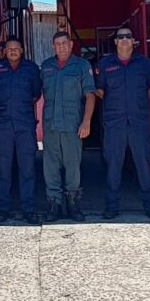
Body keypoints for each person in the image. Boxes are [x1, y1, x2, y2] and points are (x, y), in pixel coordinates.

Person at [95, 26, 150, 221]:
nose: (124, 39)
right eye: (120, 36)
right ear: (115, 41)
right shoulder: (105, 64)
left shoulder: (144, 64)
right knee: (113, 164)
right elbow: (100, 91)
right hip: (114, 123)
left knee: (143, 164)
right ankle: (112, 207)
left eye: (128, 36)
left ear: (133, 41)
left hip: (138, 122)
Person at [40, 30, 96, 222]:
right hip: (50, 126)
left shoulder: (82, 66)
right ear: (53, 47)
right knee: (50, 167)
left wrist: (86, 122)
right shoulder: (46, 66)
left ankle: (73, 205)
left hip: (72, 125)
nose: (61, 47)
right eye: (58, 44)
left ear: (71, 45)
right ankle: (54, 205)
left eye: (65, 43)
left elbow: (90, 95)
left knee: (73, 167)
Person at [0, 37, 42, 224]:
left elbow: (36, 94)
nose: (13, 51)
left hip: (25, 125)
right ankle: (2, 209)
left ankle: (28, 209)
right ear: (4, 51)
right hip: (3, 125)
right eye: (9, 48)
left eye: (16, 48)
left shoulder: (31, 69)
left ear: (22, 50)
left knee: (27, 168)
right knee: (3, 169)